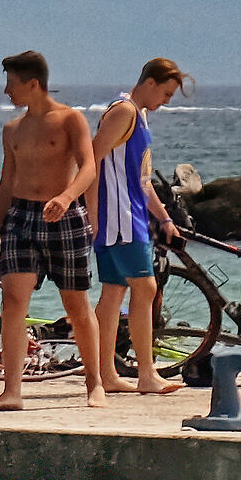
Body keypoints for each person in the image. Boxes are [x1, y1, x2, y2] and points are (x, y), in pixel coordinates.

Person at [52, 58, 191, 397]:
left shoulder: (138, 116)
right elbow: (91, 160)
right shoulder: (124, 112)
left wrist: (165, 219)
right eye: (167, 93)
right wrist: (93, 213)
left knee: (114, 294)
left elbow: (142, 181)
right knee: (145, 288)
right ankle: (146, 373)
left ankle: (108, 373)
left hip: (131, 217)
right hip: (121, 221)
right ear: (150, 82)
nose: (166, 102)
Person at [0, 51, 102, 411]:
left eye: (11, 84)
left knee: (75, 303)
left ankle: (94, 384)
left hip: (63, 215)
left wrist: (65, 196)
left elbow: (89, 167)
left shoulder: (70, 120)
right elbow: (5, 185)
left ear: (33, 84)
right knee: (14, 301)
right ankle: (11, 391)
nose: (6, 91)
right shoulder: (12, 129)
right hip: (21, 217)